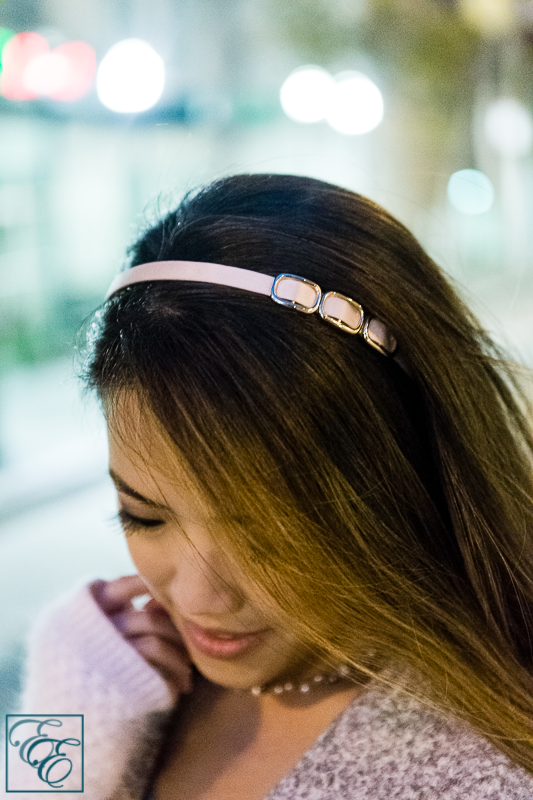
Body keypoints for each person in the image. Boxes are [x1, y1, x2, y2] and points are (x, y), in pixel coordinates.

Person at [6, 173, 533, 800]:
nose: (200, 598)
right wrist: (58, 717)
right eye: (142, 516)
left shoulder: (472, 777)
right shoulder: (128, 664)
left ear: (394, 483)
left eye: (267, 533)